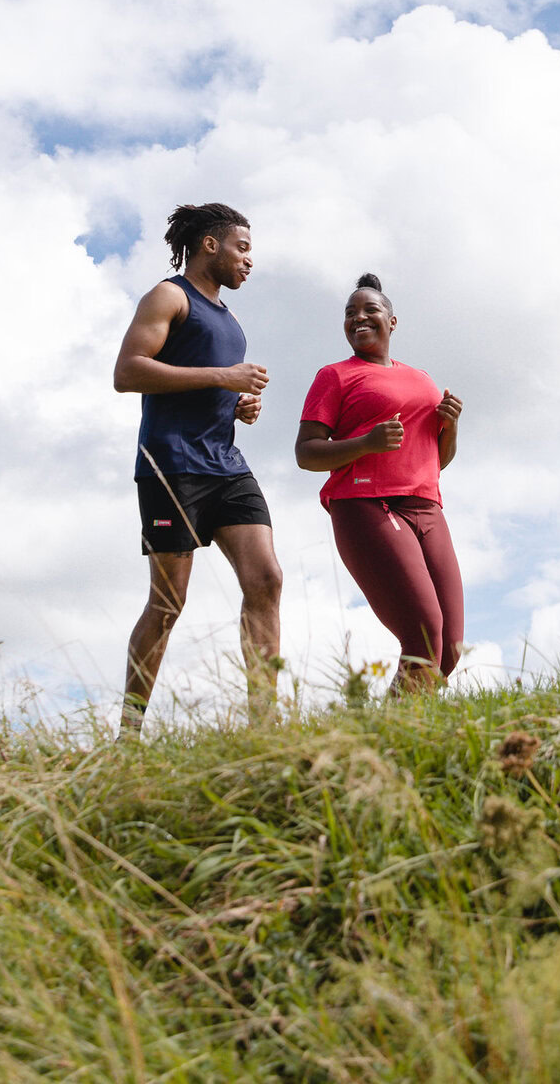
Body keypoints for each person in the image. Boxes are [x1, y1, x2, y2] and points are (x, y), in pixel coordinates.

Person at [112, 202, 283, 733]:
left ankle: (263, 728)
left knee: (267, 579)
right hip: (171, 464)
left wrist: (237, 404)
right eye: (243, 247)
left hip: (226, 465)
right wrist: (222, 377)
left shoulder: (231, 320)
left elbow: (213, 386)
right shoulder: (169, 296)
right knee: (168, 602)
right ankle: (129, 731)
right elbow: (128, 372)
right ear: (211, 244)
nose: (249, 261)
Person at [295, 273, 464, 693]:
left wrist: (452, 426)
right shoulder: (335, 376)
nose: (358, 318)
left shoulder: (422, 379)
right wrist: (366, 443)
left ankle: (404, 730)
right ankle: (394, 742)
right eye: (350, 313)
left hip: (425, 506)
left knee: (450, 649)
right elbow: (306, 453)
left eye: (370, 310)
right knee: (423, 633)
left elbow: (436, 459)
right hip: (366, 504)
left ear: (392, 321)